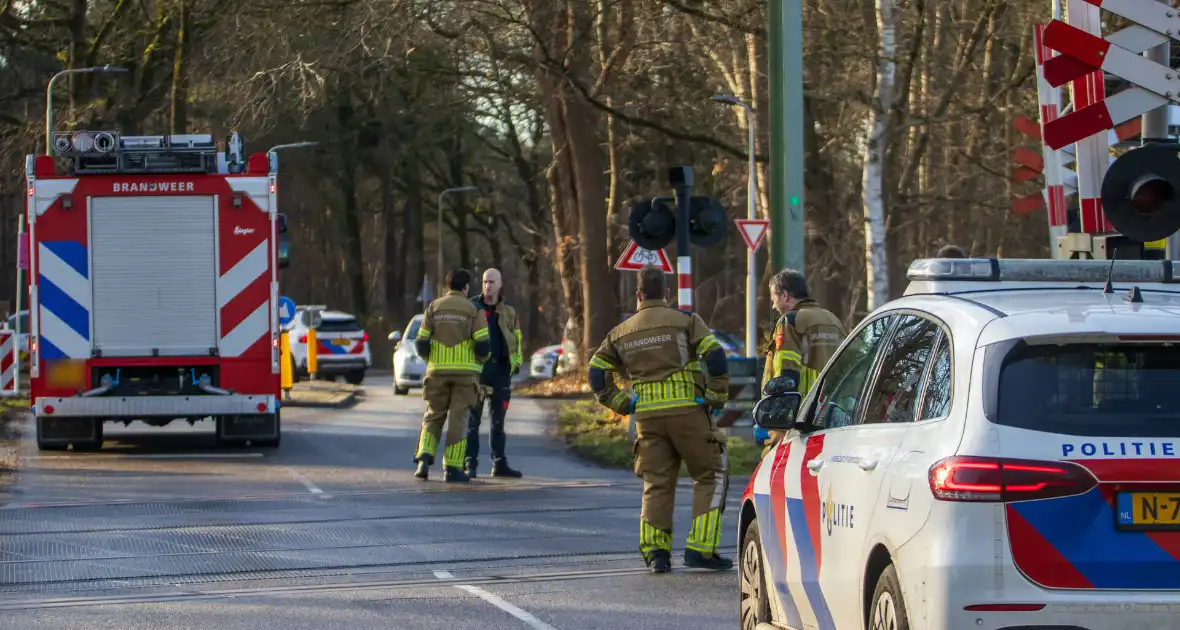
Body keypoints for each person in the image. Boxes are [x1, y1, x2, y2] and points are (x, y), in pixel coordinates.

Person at [587, 265, 732, 574]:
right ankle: (701, 549)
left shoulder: (621, 333)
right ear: (667, 294)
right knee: (711, 475)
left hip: (648, 419)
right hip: (689, 413)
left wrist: (620, 402)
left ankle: (656, 553)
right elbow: (715, 357)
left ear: (638, 295)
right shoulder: (686, 321)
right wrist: (716, 396)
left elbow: (596, 371)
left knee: (656, 483)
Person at [412, 268, 490, 483]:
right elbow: (483, 344)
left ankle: (423, 459)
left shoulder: (434, 308)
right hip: (465, 375)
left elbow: (421, 341)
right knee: (458, 419)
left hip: (437, 372)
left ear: (447, 286)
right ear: (466, 287)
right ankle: (453, 468)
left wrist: (431, 360)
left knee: (433, 414)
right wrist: (479, 362)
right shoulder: (473, 310)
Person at [758, 269, 846, 455]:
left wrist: (776, 415)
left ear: (785, 295)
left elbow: (786, 372)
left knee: (773, 466)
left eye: (773, 298)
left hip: (797, 416)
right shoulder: (833, 320)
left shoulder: (790, 320)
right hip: (831, 412)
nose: (773, 305)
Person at [465, 268, 524, 478]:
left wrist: (515, 364)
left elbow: (517, 339)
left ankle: (499, 463)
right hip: (478, 370)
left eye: (491, 282)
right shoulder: (472, 307)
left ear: (500, 284)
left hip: (500, 371)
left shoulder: (509, 311)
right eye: (484, 282)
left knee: (498, 421)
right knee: (473, 421)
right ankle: (469, 463)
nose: (487, 285)